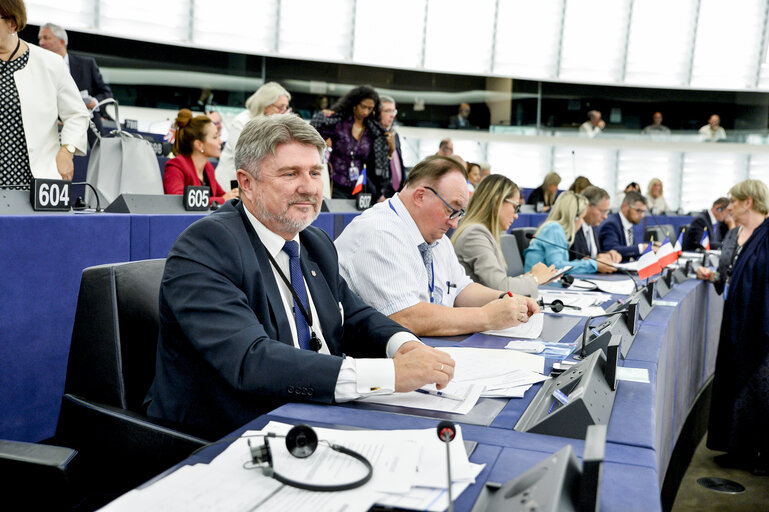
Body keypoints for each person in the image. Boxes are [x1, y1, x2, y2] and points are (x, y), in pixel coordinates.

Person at [145, 114, 455, 438]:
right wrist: (387, 374)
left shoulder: (314, 241)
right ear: (246, 183)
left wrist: (404, 346)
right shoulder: (207, 246)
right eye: (290, 173)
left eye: (315, 172)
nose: (308, 187)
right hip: (224, 436)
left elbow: (354, 314)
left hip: (313, 416)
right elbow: (251, 361)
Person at [335, 155, 540, 337]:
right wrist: (486, 316)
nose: (454, 223)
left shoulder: (434, 234)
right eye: (452, 209)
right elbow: (405, 317)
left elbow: (460, 288)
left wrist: (507, 299)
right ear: (420, 196)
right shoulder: (379, 232)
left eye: (460, 213)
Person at [707, 179, 769, 474]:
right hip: (737, 321)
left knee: (757, 390)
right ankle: (738, 449)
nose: (728, 206)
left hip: (760, 327)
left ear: (749, 202)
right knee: (737, 386)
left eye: (733, 201)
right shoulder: (742, 233)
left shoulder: (766, 235)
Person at [0, 1, 89, 186]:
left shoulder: (50, 63)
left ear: (12, 24)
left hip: (32, 181)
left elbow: (77, 114)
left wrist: (67, 150)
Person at [451, 174, 558, 296]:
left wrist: (531, 277)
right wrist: (535, 278)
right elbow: (500, 287)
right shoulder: (475, 234)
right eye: (515, 207)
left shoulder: (480, 231)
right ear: (498, 202)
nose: (516, 215)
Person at [311, 85, 391, 200]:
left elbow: (377, 163)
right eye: (363, 106)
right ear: (354, 104)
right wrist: (323, 116)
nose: (365, 111)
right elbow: (313, 133)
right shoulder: (338, 123)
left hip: (360, 186)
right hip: (336, 183)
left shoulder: (372, 131)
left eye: (370, 108)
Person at [38, 22, 113, 140]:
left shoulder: (87, 65)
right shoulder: (38, 68)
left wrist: (94, 102)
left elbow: (106, 94)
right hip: (52, 134)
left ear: (62, 41)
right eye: (40, 38)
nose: (41, 42)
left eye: (46, 38)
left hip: (88, 131)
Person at [215, 82, 291, 192]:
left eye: (286, 107)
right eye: (280, 107)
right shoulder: (241, 122)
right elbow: (243, 158)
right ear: (265, 105)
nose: (284, 112)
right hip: (232, 181)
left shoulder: (277, 124)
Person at [524, 192, 614, 274]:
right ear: (574, 217)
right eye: (582, 218)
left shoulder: (556, 229)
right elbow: (557, 267)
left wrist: (581, 262)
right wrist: (593, 264)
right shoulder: (554, 229)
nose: (582, 222)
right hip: (539, 286)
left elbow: (558, 263)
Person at [163, 109, 238, 205]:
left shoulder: (208, 167)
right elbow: (178, 202)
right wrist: (223, 200)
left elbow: (222, 195)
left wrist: (234, 195)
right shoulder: (175, 166)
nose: (220, 141)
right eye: (215, 137)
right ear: (199, 145)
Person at [570, 186, 621, 268]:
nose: (605, 217)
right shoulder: (572, 229)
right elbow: (569, 262)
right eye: (602, 211)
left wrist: (608, 255)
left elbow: (594, 257)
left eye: (607, 211)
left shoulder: (592, 227)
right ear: (587, 206)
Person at [599, 191, 652, 262]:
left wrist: (651, 247)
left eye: (644, 211)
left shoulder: (629, 223)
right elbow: (612, 250)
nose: (642, 215)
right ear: (625, 206)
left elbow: (628, 251)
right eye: (639, 210)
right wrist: (642, 248)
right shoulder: (611, 224)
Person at [379, 95, 405, 198]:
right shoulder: (371, 136)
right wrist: (379, 195)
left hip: (397, 193)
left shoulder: (395, 135)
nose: (392, 115)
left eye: (393, 111)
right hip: (380, 195)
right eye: (388, 111)